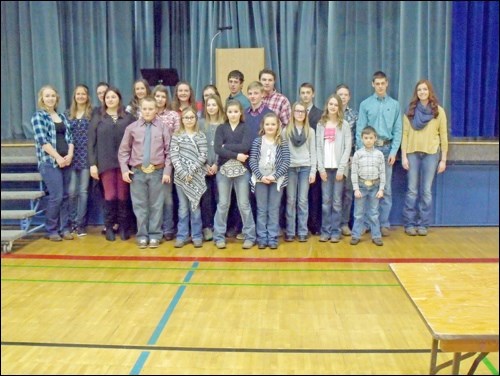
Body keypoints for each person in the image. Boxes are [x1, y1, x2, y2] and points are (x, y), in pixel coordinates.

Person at [118, 96, 172, 249]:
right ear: (140, 110)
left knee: (156, 205)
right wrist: (124, 169)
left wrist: (167, 171)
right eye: (145, 109)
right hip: (138, 172)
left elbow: (169, 151)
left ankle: (155, 234)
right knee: (140, 205)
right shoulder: (132, 128)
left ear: (156, 110)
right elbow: (123, 151)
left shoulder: (163, 128)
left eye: (151, 109)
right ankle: (142, 235)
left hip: (157, 171)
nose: (147, 111)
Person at [356, 71, 402, 237]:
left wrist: (394, 151)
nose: (380, 86)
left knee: (385, 188)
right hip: (369, 150)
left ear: (387, 83)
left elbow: (398, 130)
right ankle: (367, 224)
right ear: (372, 84)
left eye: (383, 83)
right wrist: (361, 152)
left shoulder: (395, 105)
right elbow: (360, 128)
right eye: (377, 83)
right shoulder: (365, 104)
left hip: (387, 150)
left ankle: (383, 223)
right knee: (367, 187)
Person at [88, 86, 136, 241]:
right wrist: (93, 164)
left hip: (124, 164)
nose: (110, 100)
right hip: (105, 162)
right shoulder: (98, 117)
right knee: (110, 195)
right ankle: (109, 227)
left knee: (123, 195)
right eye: (107, 97)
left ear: (119, 99)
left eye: (113, 97)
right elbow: (91, 143)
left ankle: (123, 227)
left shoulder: (128, 117)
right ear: (104, 100)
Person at [401, 79, 448, 236]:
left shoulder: (438, 112)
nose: (422, 92)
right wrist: (404, 156)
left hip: (431, 154)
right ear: (416, 93)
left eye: (425, 89)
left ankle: (423, 224)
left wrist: (443, 160)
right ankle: (409, 223)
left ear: (430, 92)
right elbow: (405, 134)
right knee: (412, 190)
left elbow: (443, 135)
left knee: (426, 191)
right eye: (419, 90)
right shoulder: (410, 111)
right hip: (412, 154)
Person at [31, 85, 74, 241]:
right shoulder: (38, 116)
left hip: (66, 161)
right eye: (47, 96)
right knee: (55, 196)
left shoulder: (62, 116)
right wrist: (57, 157)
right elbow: (43, 141)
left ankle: (65, 228)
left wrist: (69, 155)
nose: (50, 98)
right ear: (42, 99)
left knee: (65, 196)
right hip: (50, 162)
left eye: (53, 96)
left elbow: (70, 138)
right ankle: (52, 230)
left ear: (57, 98)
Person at [213, 99, 256, 250]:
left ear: (240, 113)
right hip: (224, 170)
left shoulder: (246, 128)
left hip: (242, 171)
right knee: (223, 204)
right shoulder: (221, 128)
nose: (233, 114)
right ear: (226, 113)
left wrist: (227, 147)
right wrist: (237, 155)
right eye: (230, 112)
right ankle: (219, 236)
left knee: (243, 204)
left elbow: (245, 146)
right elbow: (218, 149)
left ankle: (250, 235)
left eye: (236, 111)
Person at [249, 112, 290, 249]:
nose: (270, 127)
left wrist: (275, 176)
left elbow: (286, 161)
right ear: (263, 126)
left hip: (276, 181)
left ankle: (272, 237)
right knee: (261, 209)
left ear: (278, 126)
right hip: (260, 180)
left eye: (273, 124)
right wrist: (261, 176)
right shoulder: (257, 141)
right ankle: (262, 237)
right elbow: (252, 160)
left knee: (273, 209)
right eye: (267, 124)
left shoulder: (282, 142)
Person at [316, 94, 352, 243]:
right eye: (330, 104)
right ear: (327, 106)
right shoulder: (321, 124)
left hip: (338, 170)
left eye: (335, 105)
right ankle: (326, 230)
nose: (333, 107)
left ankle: (336, 231)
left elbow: (347, 147)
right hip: (325, 169)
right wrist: (321, 168)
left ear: (339, 108)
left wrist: (341, 169)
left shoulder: (344, 125)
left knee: (337, 202)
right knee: (326, 201)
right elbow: (318, 146)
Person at [171, 107, 208, 248]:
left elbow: (203, 155)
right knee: (183, 208)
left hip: (196, 177)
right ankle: (182, 235)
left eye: (191, 117)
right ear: (182, 120)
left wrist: (191, 171)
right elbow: (174, 156)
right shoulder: (176, 136)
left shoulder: (200, 135)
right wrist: (183, 173)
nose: (189, 120)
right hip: (181, 178)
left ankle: (197, 235)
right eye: (186, 117)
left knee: (195, 207)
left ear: (196, 119)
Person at [282, 101, 316, 242]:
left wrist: (313, 171)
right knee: (290, 200)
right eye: (297, 111)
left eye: (302, 111)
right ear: (293, 113)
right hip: (290, 168)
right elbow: (283, 152)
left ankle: (302, 231)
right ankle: (290, 231)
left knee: (302, 201)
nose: (300, 114)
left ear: (306, 114)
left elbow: (313, 152)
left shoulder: (310, 131)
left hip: (305, 168)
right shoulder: (286, 131)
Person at [152, 84, 180, 241]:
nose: (160, 99)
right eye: (157, 96)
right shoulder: (147, 114)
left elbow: (176, 138)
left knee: (167, 197)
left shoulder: (173, 115)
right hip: (150, 163)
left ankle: (168, 228)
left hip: (167, 162)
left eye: (163, 96)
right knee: (153, 198)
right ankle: (156, 228)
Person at [350, 126, 386, 246]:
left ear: (375, 138)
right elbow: (354, 172)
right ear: (362, 139)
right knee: (358, 213)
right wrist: (355, 188)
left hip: (375, 187)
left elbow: (382, 173)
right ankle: (355, 235)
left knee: (374, 213)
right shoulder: (358, 154)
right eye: (366, 138)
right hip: (361, 186)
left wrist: (381, 189)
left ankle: (376, 236)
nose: (369, 140)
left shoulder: (379, 154)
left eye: (371, 138)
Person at [199, 94, 226, 241]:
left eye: (214, 105)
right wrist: (205, 165)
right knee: (206, 199)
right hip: (203, 167)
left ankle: (219, 226)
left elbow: (224, 146)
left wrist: (216, 164)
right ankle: (207, 227)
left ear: (219, 106)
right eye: (208, 105)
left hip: (220, 167)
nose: (211, 108)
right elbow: (198, 146)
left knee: (220, 198)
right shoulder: (201, 124)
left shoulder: (224, 124)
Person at [66, 84, 93, 237]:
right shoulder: (67, 114)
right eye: (78, 94)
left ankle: (81, 224)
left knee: (83, 191)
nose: (81, 96)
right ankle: (72, 222)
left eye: (83, 94)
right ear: (74, 96)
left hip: (86, 157)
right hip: (71, 157)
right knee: (71, 192)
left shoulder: (92, 113)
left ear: (87, 96)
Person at [299, 82, 322, 236]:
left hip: (314, 160)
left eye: (308, 92)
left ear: (313, 94)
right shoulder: (296, 113)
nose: (305, 95)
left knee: (314, 194)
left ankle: (314, 225)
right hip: (298, 161)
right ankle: (300, 226)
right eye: (303, 93)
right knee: (299, 197)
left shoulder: (320, 114)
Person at [335, 83, 359, 236]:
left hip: (349, 159)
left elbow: (357, 137)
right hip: (332, 159)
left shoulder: (354, 115)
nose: (342, 97)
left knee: (348, 191)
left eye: (345, 95)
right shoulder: (329, 114)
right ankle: (332, 224)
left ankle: (344, 223)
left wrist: (353, 156)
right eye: (340, 94)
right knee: (333, 193)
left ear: (349, 97)